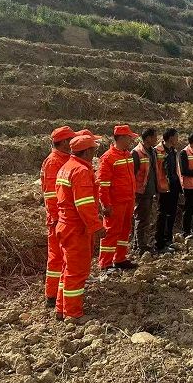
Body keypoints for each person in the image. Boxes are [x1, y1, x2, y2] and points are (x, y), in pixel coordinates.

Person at [54, 134, 105, 323]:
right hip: (76, 228)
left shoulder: (66, 167)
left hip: (65, 225)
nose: (95, 153)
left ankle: (61, 308)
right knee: (77, 271)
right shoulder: (80, 170)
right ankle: (73, 313)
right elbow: (84, 204)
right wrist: (97, 226)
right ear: (87, 151)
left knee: (67, 269)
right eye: (93, 150)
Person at [40, 125, 75, 308]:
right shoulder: (54, 162)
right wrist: (56, 218)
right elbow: (51, 195)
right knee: (56, 258)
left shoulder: (64, 159)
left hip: (64, 217)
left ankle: (59, 292)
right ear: (63, 142)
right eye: (70, 140)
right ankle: (52, 295)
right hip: (58, 219)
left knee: (63, 257)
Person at [96, 124, 139, 273]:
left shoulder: (127, 155)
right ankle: (105, 264)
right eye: (129, 137)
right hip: (115, 202)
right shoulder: (108, 158)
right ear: (121, 138)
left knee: (124, 230)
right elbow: (103, 184)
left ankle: (119, 258)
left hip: (128, 200)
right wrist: (105, 204)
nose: (131, 140)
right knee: (111, 232)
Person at [132, 128, 160, 255]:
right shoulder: (136, 152)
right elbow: (133, 174)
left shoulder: (152, 152)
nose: (156, 139)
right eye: (154, 137)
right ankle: (140, 246)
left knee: (145, 219)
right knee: (141, 219)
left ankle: (138, 244)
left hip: (150, 190)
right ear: (148, 138)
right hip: (141, 191)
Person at [156, 128, 181, 253]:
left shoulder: (173, 151)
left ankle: (168, 239)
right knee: (162, 214)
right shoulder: (157, 151)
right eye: (176, 136)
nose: (177, 139)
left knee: (172, 213)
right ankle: (160, 243)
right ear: (170, 137)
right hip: (163, 187)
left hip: (174, 186)